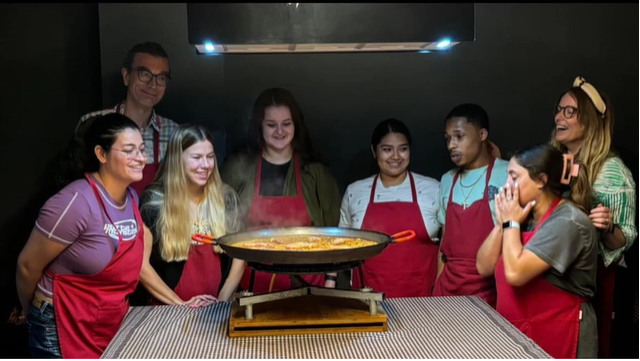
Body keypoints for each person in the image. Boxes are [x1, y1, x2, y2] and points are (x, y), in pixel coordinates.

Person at [15, 114, 146, 358]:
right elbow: (26, 266)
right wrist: (29, 310)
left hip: (104, 320)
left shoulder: (132, 198)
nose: (140, 158)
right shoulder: (75, 202)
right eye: (129, 150)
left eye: (142, 149)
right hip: (59, 322)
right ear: (101, 154)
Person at [476, 143, 598, 359]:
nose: (506, 185)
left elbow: (516, 274)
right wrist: (502, 224)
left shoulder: (568, 221)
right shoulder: (523, 216)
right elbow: (483, 266)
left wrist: (511, 223)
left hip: (563, 330)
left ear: (541, 180)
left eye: (514, 177)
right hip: (521, 330)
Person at [220, 88, 342, 293]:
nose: (279, 131)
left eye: (286, 124)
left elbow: (337, 233)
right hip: (250, 287)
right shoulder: (238, 168)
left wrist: (330, 283)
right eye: (271, 125)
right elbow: (218, 225)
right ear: (259, 126)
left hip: (309, 288)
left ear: (296, 125)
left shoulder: (315, 172)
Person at [549, 76, 637, 358]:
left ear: (589, 120)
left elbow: (623, 240)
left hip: (597, 284)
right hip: (556, 278)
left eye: (569, 111)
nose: (558, 116)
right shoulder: (554, 164)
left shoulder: (612, 171)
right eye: (559, 109)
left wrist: (608, 225)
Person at [136, 124, 245, 306]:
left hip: (215, 309)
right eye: (196, 157)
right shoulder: (153, 204)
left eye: (210, 157)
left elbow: (241, 254)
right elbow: (140, 266)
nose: (205, 165)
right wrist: (180, 305)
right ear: (177, 160)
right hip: (167, 312)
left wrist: (221, 300)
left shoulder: (226, 199)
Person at [338, 119, 440, 297]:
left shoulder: (433, 189)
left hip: (424, 300)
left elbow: (448, 249)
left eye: (403, 149)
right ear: (374, 151)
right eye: (387, 150)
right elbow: (341, 248)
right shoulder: (355, 192)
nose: (395, 156)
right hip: (368, 300)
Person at [431, 103, 509, 308]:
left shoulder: (509, 173)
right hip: (447, 291)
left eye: (459, 136)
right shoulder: (447, 180)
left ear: (482, 134)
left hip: (490, 291)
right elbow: (443, 245)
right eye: (448, 139)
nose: (451, 145)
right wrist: (436, 287)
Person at [77, 42, 179, 195]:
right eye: (144, 74)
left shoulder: (173, 133)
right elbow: (75, 182)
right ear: (126, 76)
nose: (153, 85)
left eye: (161, 78)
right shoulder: (92, 123)